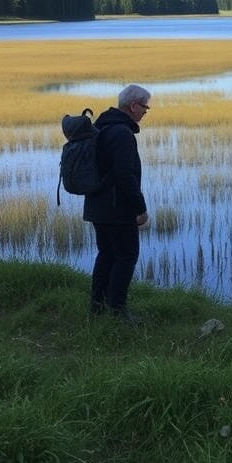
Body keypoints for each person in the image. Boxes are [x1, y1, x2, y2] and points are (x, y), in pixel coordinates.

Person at [84, 84, 151, 323]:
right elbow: (125, 175)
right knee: (126, 257)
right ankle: (118, 311)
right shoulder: (122, 133)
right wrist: (140, 208)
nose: (145, 112)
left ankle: (97, 307)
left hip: (96, 207)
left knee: (106, 255)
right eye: (145, 107)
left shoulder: (100, 126)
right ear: (133, 106)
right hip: (117, 209)